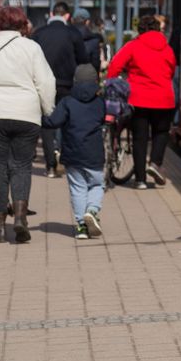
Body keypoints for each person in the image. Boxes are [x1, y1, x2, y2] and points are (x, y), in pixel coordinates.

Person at [0, 5, 56, 243]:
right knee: (22, 166)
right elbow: (46, 81)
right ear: (22, 24)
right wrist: (47, 108)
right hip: (27, 114)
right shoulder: (32, 48)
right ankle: (21, 219)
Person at [106, 14, 176, 189]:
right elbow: (172, 70)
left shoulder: (133, 46)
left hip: (138, 99)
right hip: (164, 98)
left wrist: (111, 82)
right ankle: (155, 163)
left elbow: (115, 65)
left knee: (139, 138)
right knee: (161, 132)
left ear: (140, 30)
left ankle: (140, 180)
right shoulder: (167, 48)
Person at [43, 64, 106, 240]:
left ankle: (81, 227)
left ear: (75, 81)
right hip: (94, 154)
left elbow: (53, 122)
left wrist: (38, 118)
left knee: (78, 189)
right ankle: (92, 210)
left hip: (72, 154)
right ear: (95, 81)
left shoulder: (67, 102)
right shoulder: (99, 102)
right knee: (97, 184)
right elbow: (102, 119)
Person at [32, 2, 88, 177]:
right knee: (66, 122)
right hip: (66, 84)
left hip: (42, 85)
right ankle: (63, 157)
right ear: (67, 16)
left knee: (47, 123)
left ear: (50, 14)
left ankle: (50, 165)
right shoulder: (73, 33)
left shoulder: (39, 34)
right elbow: (83, 60)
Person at [72, 8, 102, 74]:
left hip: (67, 78)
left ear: (72, 20)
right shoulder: (94, 40)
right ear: (87, 22)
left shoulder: (66, 36)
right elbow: (96, 64)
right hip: (86, 77)